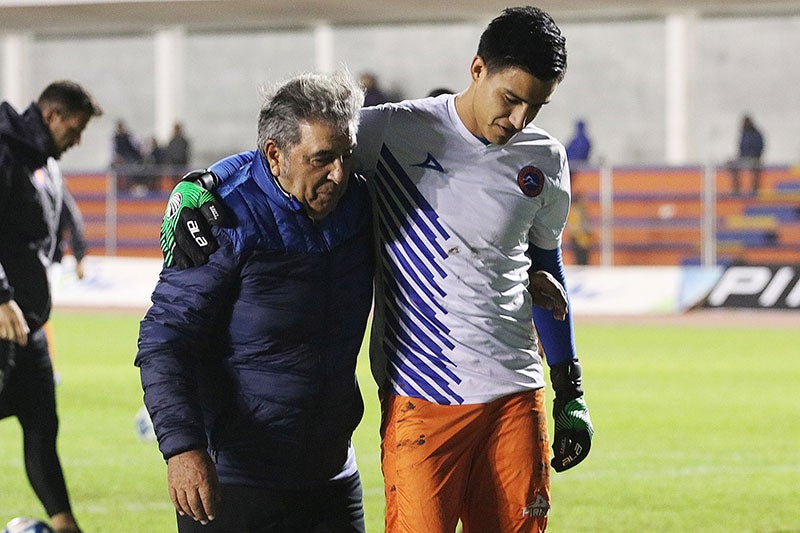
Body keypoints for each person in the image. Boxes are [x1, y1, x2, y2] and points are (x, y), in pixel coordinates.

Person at [161, 6, 593, 532]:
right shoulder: (395, 130)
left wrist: (570, 389)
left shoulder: (546, 159)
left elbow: (546, 271)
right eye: (511, 98)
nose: (520, 118)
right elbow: (291, 149)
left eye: (536, 105)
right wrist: (200, 183)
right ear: (477, 69)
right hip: (424, 393)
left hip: (515, 393)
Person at [136, 71, 375, 532]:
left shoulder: (359, 202)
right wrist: (183, 449)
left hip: (331, 477)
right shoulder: (220, 218)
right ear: (274, 155)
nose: (339, 174)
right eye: (322, 159)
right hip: (234, 482)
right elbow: (165, 338)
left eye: (346, 156)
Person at [0, 79, 102, 533]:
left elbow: (60, 215)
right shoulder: (5, 152)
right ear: (52, 116)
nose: (77, 141)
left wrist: (75, 247)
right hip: (3, 322)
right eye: (75, 129)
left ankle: (65, 525)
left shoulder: (45, 164)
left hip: (30, 327)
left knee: (42, 426)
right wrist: (1, 297)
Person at [727, 114, 765, 196]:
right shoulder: (743, 133)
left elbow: (760, 147)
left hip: (754, 158)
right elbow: (741, 149)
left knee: (755, 167)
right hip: (743, 158)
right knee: (730, 164)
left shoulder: (756, 134)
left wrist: (753, 156)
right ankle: (736, 189)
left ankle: (754, 190)